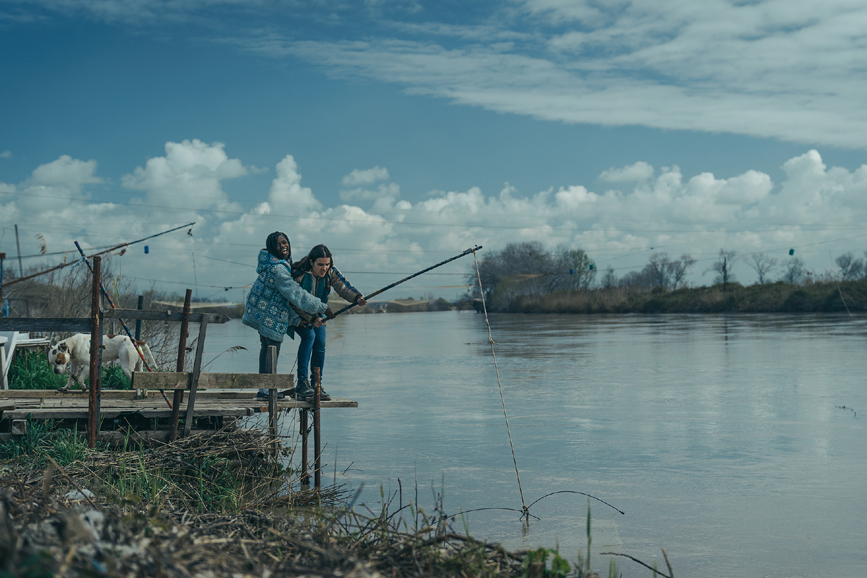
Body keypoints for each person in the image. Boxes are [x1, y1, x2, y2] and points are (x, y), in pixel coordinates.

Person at [242, 232, 328, 398]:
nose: (284, 246)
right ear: (272, 247)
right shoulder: (278, 269)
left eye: (285, 242)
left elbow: (282, 300)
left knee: (266, 348)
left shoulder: (275, 264)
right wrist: (321, 306)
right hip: (267, 315)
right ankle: (267, 390)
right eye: (279, 243)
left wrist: (301, 320)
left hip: (263, 312)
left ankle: (264, 389)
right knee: (272, 348)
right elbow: (295, 294)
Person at [289, 244, 366, 401]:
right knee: (309, 336)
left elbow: (343, 286)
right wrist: (310, 319)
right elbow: (293, 301)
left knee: (320, 344)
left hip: (318, 313)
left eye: (327, 264)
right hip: (295, 313)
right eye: (320, 265)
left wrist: (357, 297)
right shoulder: (299, 274)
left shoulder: (331, 272)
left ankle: (317, 384)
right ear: (311, 262)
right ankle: (302, 384)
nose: (324, 268)